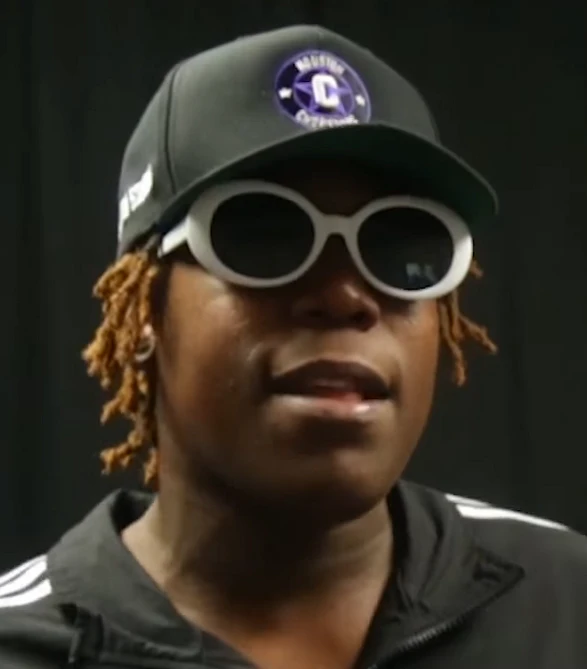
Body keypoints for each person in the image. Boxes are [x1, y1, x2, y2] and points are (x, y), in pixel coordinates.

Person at [1, 24, 586, 669]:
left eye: (401, 247)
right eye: (264, 235)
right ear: (143, 313)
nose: (346, 295)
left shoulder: (565, 601)